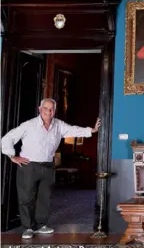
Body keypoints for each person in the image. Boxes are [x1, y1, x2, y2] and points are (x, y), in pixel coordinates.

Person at [1, 98, 101, 239]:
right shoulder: (29, 125)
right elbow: (7, 138)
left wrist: (93, 130)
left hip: (48, 166)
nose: (49, 111)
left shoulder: (58, 125)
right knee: (26, 197)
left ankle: (41, 225)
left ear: (54, 110)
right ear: (40, 109)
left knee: (44, 197)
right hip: (29, 165)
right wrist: (12, 156)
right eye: (46, 108)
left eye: (52, 109)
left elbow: (73, 130)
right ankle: (28, 228)